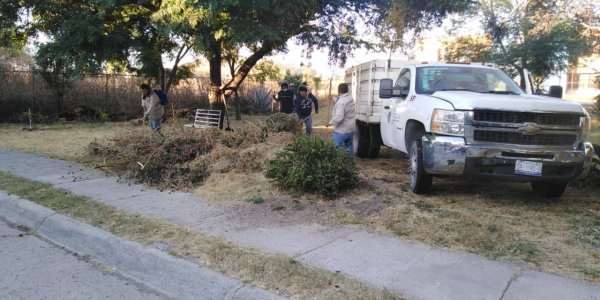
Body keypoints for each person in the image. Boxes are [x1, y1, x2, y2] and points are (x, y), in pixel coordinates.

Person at [329, 83, 356, 156]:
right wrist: (333, 98)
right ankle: (349, 163)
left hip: (341, 130)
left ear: (339, 91)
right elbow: (341, 101)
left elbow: (339, 117)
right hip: (351, 128)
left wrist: (330, 123)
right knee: (349, 146)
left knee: (335, 147)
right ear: (347, 90)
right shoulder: (350, 98)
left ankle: (338, 163)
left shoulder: (341, 102)